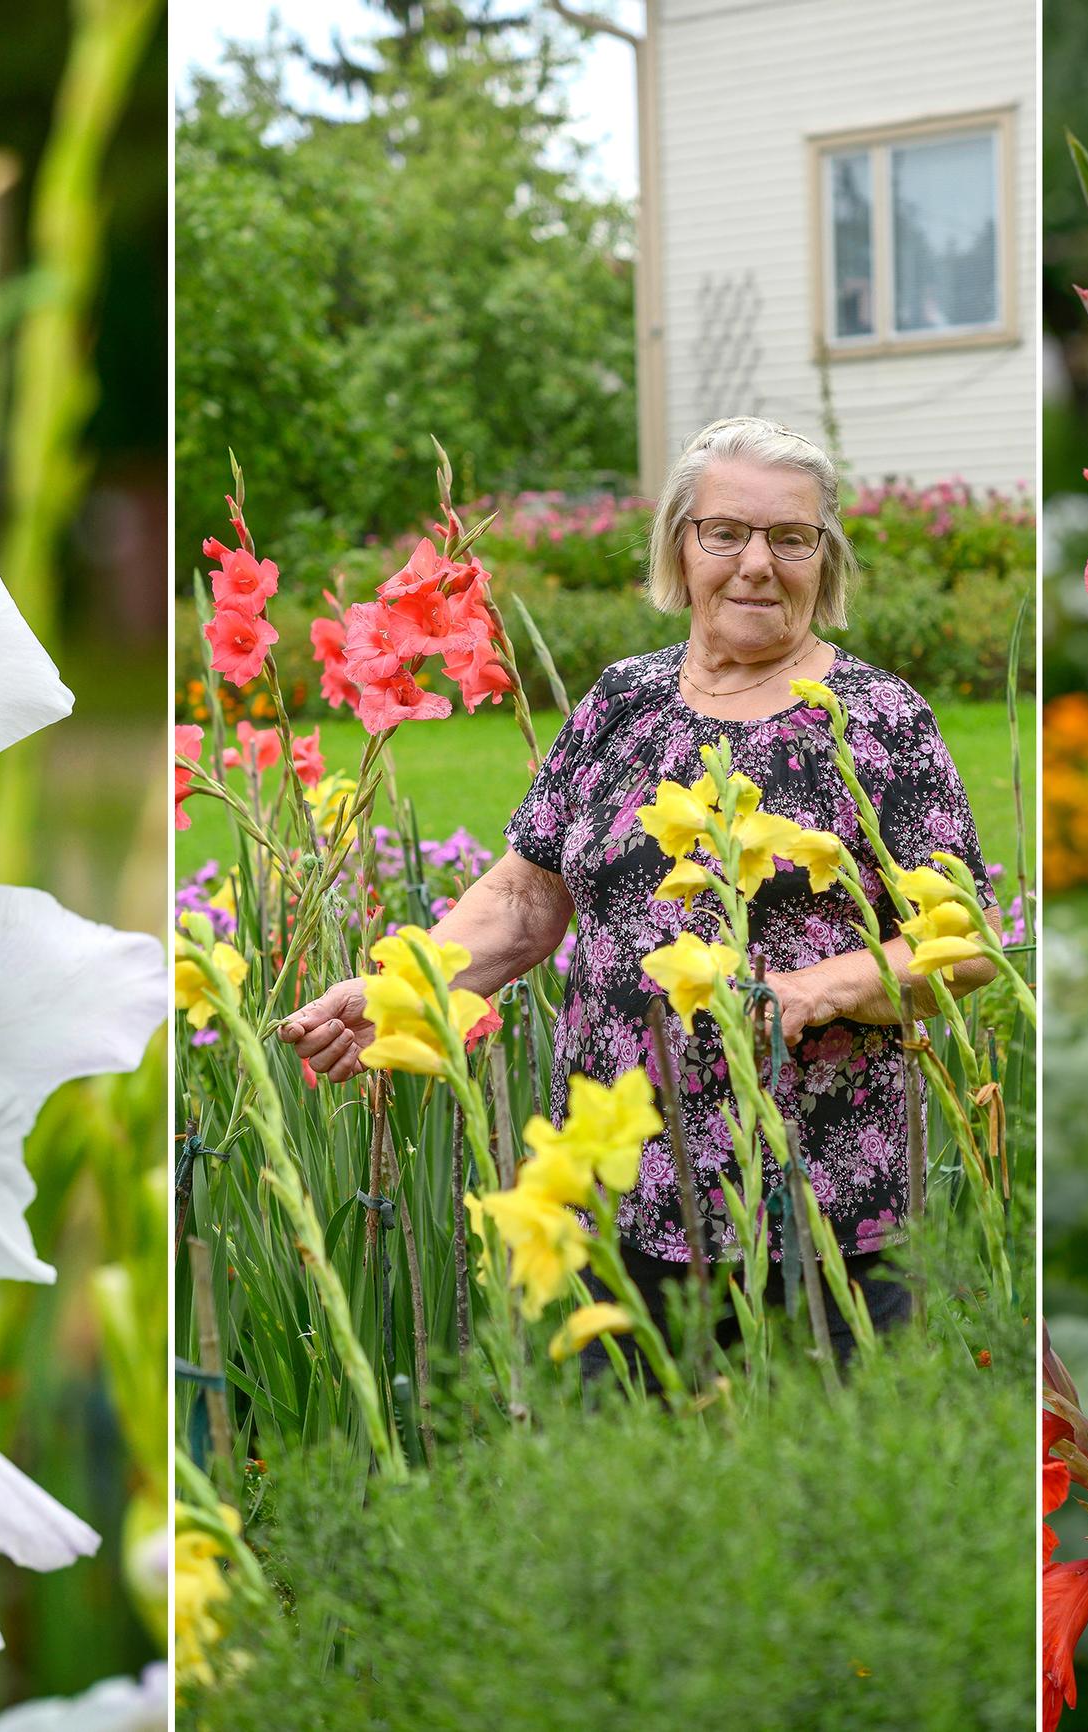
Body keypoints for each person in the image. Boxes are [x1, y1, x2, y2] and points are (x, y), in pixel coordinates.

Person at [279, 415, 997, 1362]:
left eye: (790, 538)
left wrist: (804, 994)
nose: (755, 564)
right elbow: (527, 898)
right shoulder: (623, 701)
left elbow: (966, 944)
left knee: (809, 1483)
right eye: (725, 533)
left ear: (824, 560)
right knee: (645, 1471)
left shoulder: (873, 718)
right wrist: (407, 992)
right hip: (625, 1185)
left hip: (813, 1198)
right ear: (679, 547)